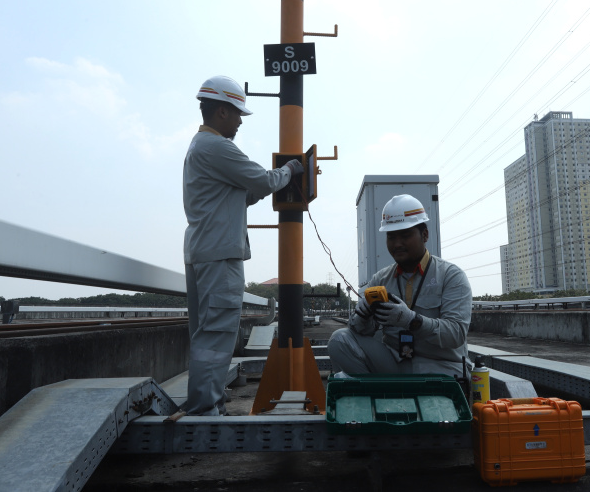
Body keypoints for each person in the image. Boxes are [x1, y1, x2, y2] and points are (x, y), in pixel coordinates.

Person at [182, 75, 304, 416]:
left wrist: (260, 188)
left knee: (206, 334)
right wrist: (290, 170)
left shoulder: (199, 148)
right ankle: (206, 411)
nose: (239, 121)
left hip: (203, 248)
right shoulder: (218, 147)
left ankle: (208, 404)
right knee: (217, 334)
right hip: (220, 253)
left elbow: (242, 193)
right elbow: (263, 179)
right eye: (237, 114)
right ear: (222, 111)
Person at [328, 194, 472, 378]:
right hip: (396, 363)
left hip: (441, 368)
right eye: (391, 236)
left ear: (425, 234)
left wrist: (412, 320)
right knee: (339, 340)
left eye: (405, 235)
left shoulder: (451, 276)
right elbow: (362, 332)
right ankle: (374, 398)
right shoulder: (380, 279)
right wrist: (362, 315)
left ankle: (387, 395)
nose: (397, 244)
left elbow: (456, 333)